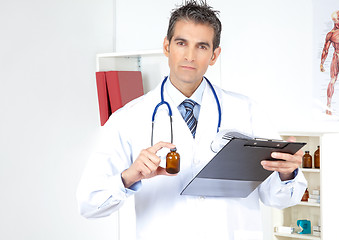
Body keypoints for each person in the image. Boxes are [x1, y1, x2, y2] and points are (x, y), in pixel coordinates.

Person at [77, 1, 307, 239]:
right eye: (181, 43)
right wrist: (130, 176)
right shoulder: (128, 118)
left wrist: (286, 173)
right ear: (166, 47)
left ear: (214, 55)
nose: (189, 56)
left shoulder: (246, 110)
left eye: (201, 46)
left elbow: (279, 198)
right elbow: (89, 204)